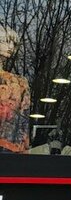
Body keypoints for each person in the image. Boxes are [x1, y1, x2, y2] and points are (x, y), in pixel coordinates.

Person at [0, 25, 30, 154]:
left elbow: (23, 119)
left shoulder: (20, 82)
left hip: (9, 148)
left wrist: (23, 151)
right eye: (5, 41)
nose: (11, 47)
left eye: (13, 43)